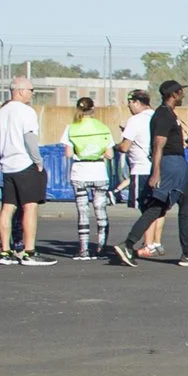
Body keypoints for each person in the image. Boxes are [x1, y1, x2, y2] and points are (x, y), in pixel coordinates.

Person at [112, 80, 188, 267]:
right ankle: (127, 244)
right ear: (173, 94)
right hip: (170, 165)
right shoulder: (162, 115)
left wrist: (187, 145)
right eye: (180, 92)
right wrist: (156, 173)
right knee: (157, 207)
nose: (183, 95)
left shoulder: (169, 114)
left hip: (178, 163)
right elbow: (158, 145)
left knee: (187, 209)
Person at [0, 75, 50, 265]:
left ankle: (5, 252)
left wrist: (2, 159)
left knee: (7, 207)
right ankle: (29, 251)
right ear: (21, 91)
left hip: (8, 166)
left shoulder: (0, 113)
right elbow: (29, 138)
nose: (32, 94)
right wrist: (38, 161)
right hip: (24, 164)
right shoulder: (26, 111)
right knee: (30, 206)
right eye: (31, 90)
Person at [61, 96, 117, 259]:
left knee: (82, 210)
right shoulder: (103, 127)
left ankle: (83, 249)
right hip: (98, 170)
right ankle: (101, 247)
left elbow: (69, 153)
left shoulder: (71, 128)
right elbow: (110, 154)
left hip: (80, 171)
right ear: (93, 109)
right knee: (100, 209)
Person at [118, 90, 160, 252]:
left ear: (135, 102)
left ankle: (147, 245)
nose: (129, 107)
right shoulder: (157, 116)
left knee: (146, 209)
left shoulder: (135, 120)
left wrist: (117, 146)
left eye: (129, 103)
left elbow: (124, 146)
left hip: (141, 168)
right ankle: (154, 243)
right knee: (156, 207)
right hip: (158, 168)